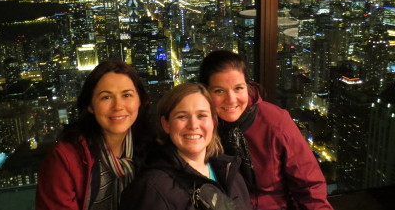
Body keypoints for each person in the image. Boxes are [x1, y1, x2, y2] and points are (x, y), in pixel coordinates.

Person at [199, 50, 333, 210]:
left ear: (247, 87)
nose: (231, 99)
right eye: (219, 91)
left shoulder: (275, 121)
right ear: (205, 91)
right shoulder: (201, 126)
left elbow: (309, 185)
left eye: (238, 88)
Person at [36, 60, 151, 210]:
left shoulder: (151, 146)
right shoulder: (65, 159)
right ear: (90, 105)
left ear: (140, 101)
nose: (118, 106)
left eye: (127, 95)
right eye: (106, 97)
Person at [119, 82, 252, 210]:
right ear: (166, 124)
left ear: (213, 122)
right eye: (182, 117)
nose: (193, 125)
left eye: (201, 115)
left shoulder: (230, 170)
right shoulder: (152, 189)